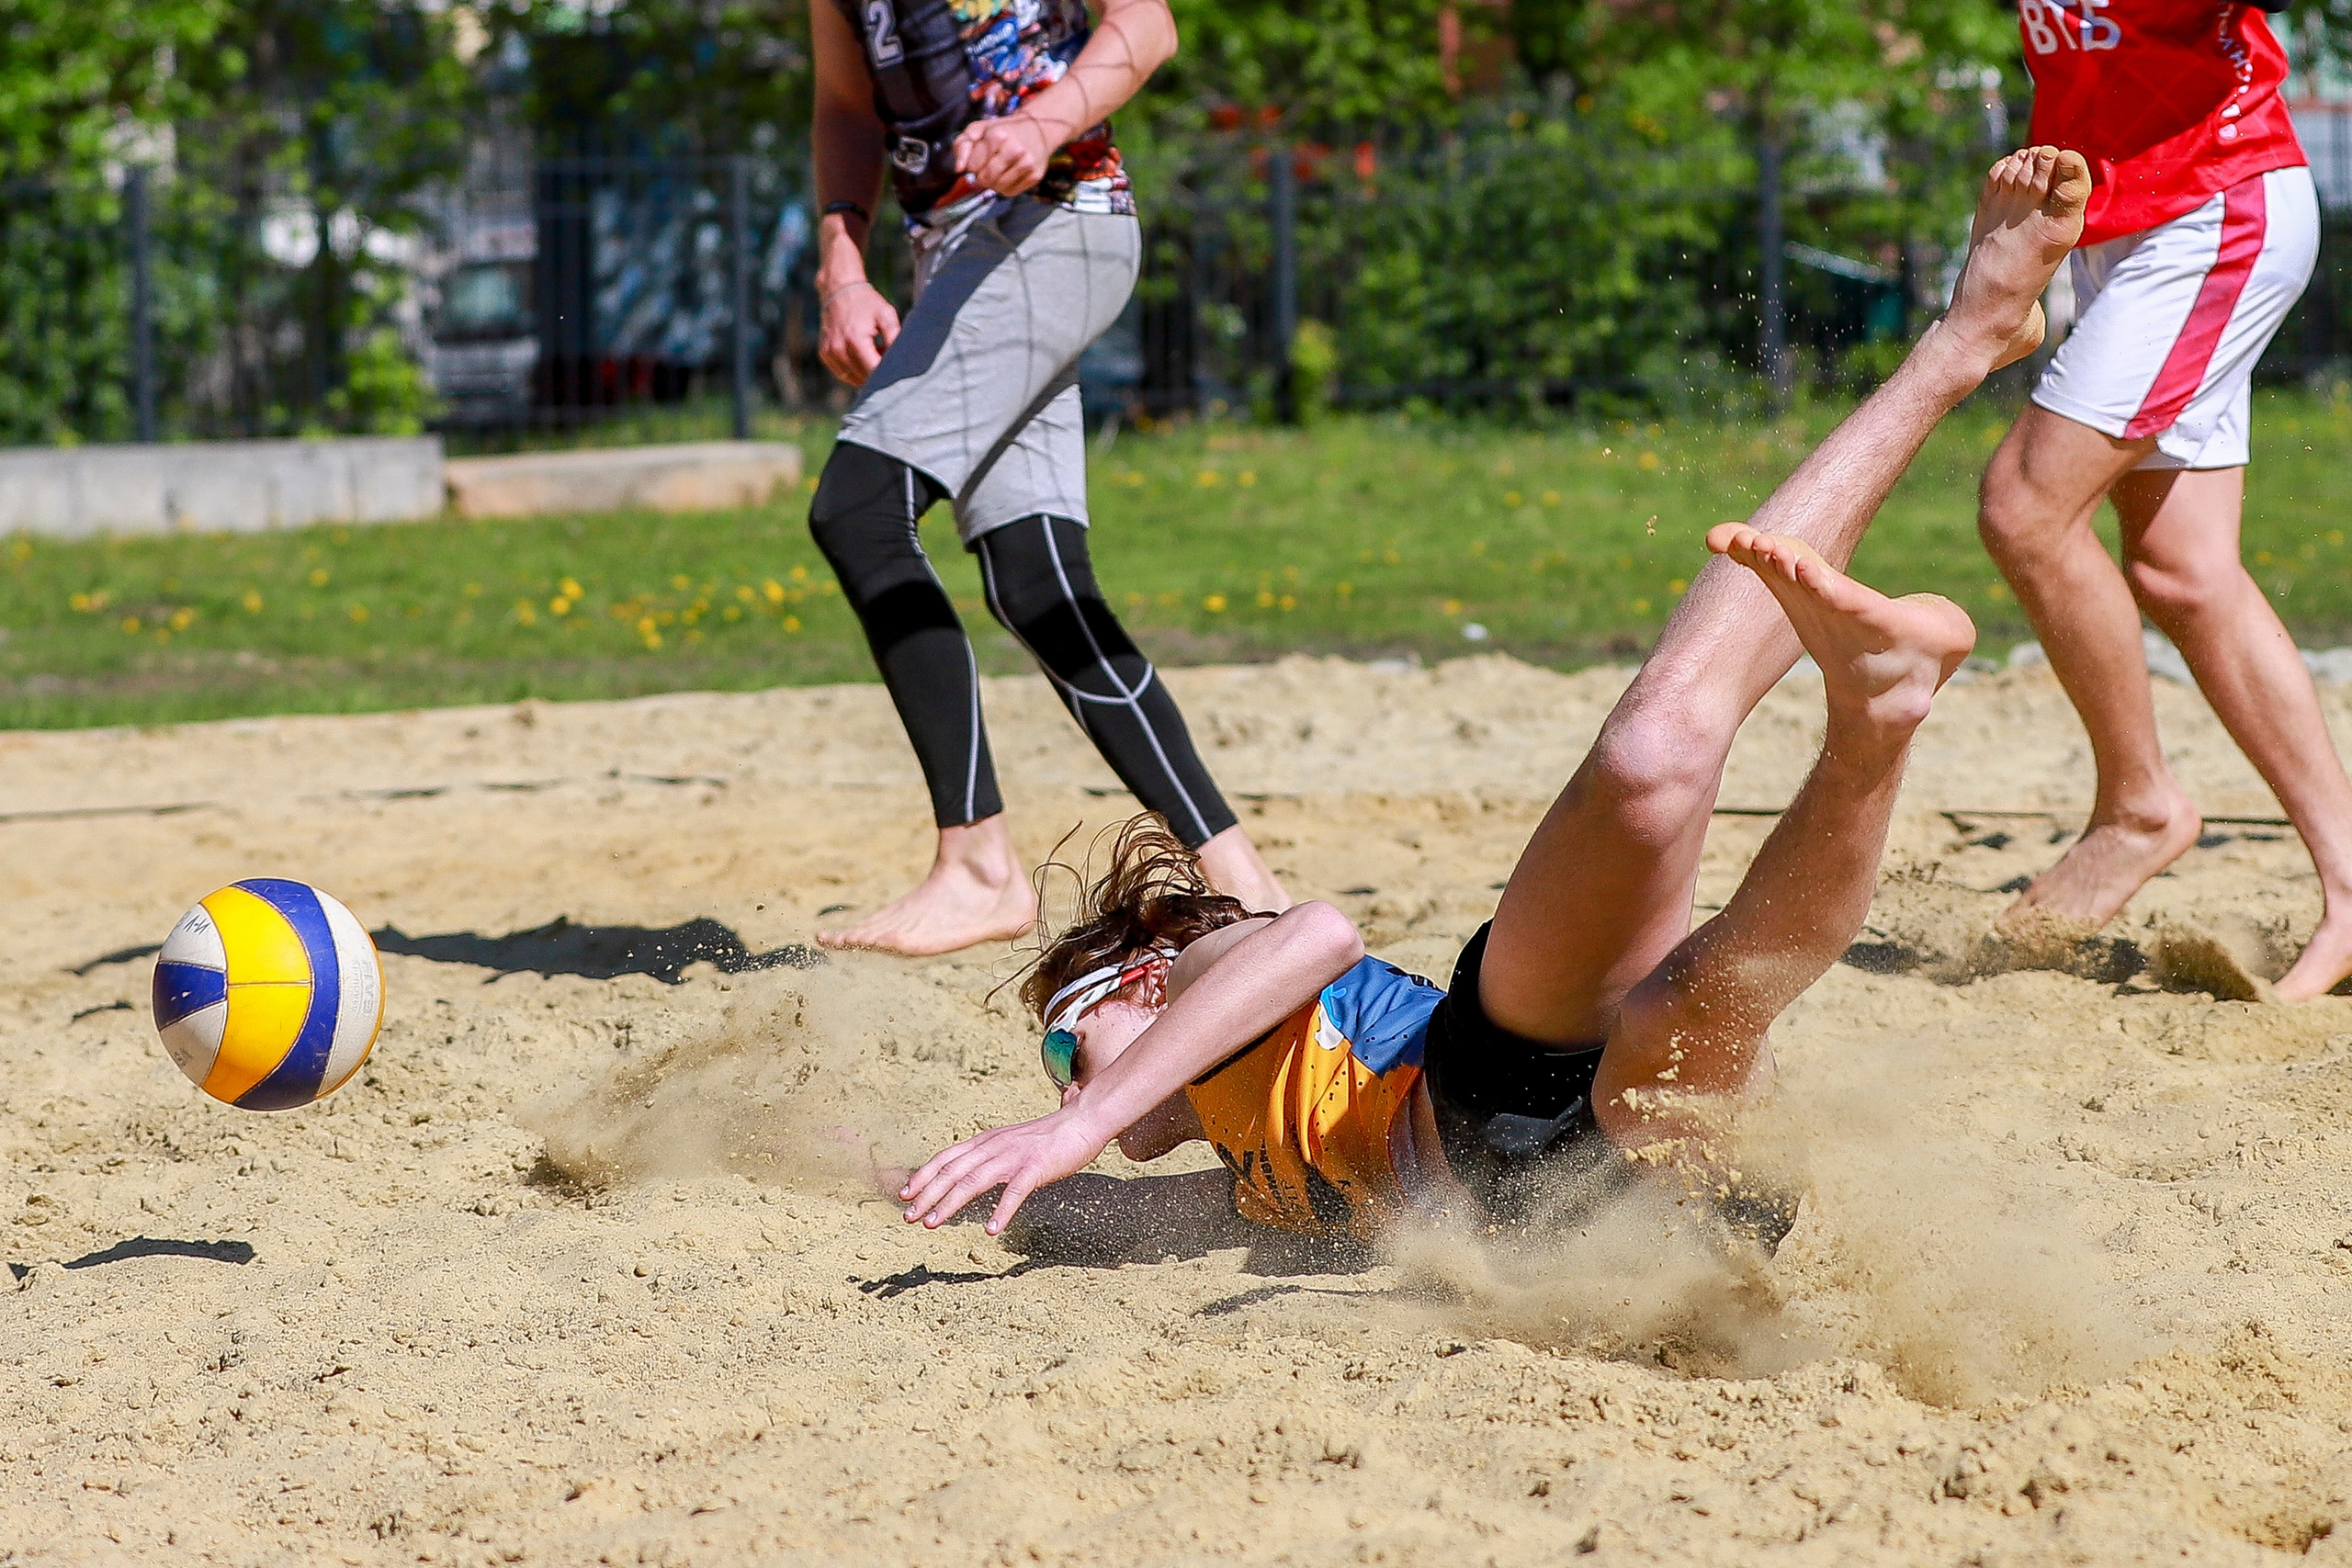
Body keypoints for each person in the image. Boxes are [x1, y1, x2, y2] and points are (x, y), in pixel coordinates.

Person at [893, 149, 2091, 1242]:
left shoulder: (1208, 976)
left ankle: (1960, 342)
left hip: (1496, 1084)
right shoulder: (1248, 1164)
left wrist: (1079, 1117)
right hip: (1655, 1194)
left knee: (1654, 754)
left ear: (1144, 979)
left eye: (1064, 1035)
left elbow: (1318, 934)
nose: (1058, 1078)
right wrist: (922, 1168)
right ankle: (1874, 721)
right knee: (1692, 1015)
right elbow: (1055, 1212)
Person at [804, 0, 1288, 955]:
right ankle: (1245, 884)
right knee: (1036, 581)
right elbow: (845, 104)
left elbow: (1146, 28)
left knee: (860, 510)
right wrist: (842, 267)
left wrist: (1042, 122)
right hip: (961, 259)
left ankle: (978, 865)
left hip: (1056, 224)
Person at [1976, 0, 2347, 998]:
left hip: (2211, 206)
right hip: (2126, 221)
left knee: (2023, 505)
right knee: (2182, 572)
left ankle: (2137, 806)